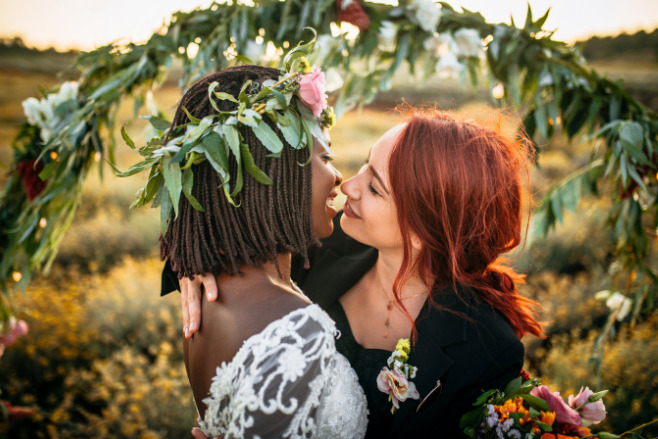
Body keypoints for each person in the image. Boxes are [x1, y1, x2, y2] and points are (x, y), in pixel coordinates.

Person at [168, 109, 544, 437]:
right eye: (364, 164)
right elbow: (229, 213)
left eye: (375, 188)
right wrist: (196, 259)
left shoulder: (485, 347)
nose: (349, 185)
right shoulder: (316, 249)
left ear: (421, 232)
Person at [150, 62, 368, 438]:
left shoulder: (211, 295)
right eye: (325, 157)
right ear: (273, 171)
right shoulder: (294, 327)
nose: (339, 178)